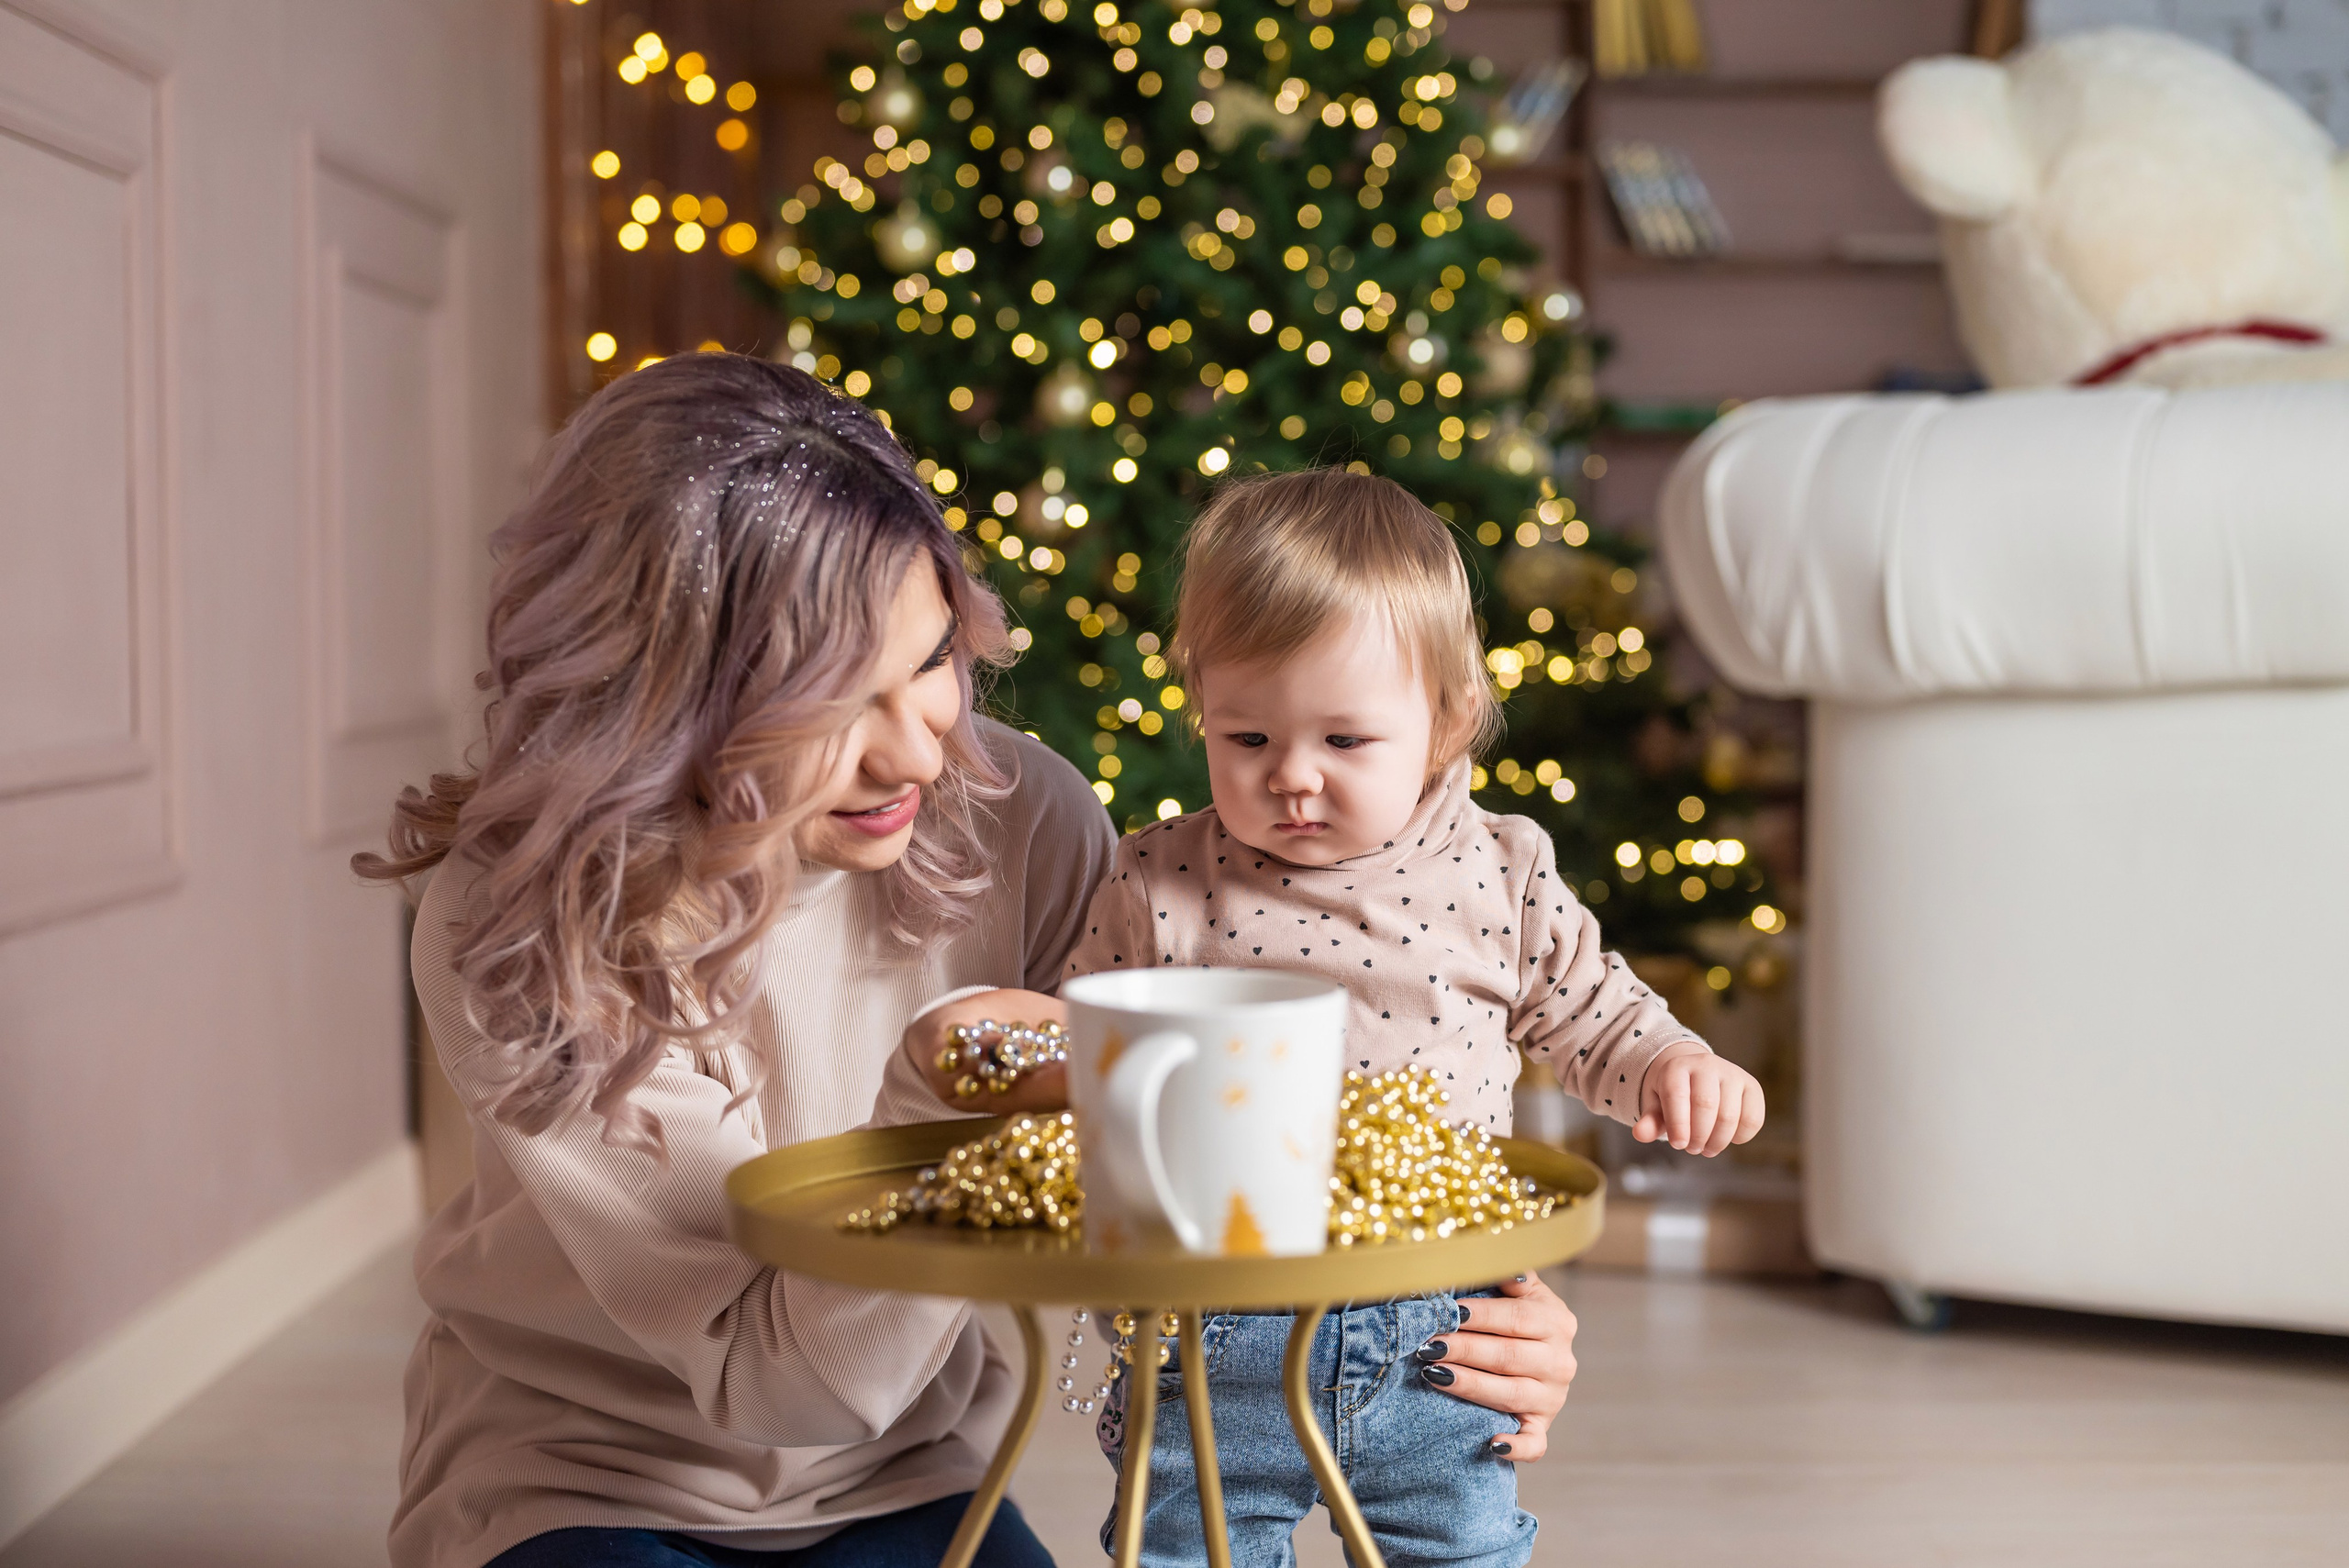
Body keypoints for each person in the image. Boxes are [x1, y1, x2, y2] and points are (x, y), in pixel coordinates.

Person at [359, 355, 1120, 1568]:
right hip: (582, 1476)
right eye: (824, 710)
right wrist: (931, 1106)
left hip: (899, 1479)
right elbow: (783, 1381)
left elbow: (1184, 1185)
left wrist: (1473, 1333)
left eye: (930, 663)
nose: (914, 758)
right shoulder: (512, 919)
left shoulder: (1022, 807)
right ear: (660, 707)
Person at [1051, 468, 1767, 1568]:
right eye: (1246, 738)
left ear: (1445, 721)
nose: (1292, 776)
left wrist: (1671, 1060)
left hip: (1440, 1313)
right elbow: (1073, 1062)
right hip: (1212, 1325)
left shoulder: (1498, 869)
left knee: (1459, 1548)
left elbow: (1590, 1011)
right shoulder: (1156, 881)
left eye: (1344, 741)